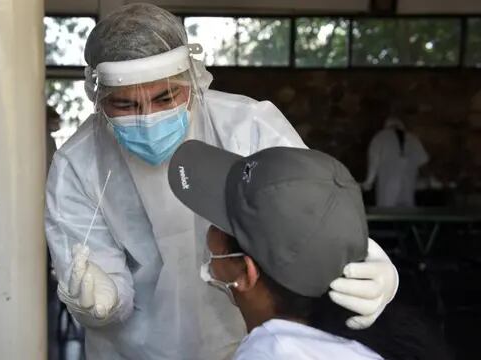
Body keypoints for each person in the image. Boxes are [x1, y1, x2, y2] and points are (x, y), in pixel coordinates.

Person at [45, 4, 398, 359]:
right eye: (124, 105)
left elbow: (308, 206)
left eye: (165, 97)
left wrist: (368, 258)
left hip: (243, 338)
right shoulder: (77, 164)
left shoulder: (247, 125)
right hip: (134, 350)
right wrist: (100, 300)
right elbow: (94, 273)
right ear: (97, 98)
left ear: (193, 77)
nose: (147, 118)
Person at [168, 140, 452, 360]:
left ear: (245, 271)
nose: (208, 228)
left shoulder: (272, 353)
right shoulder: (370, 342)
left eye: (218, 220)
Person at [363, 117, 429, 207]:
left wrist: (368, 182)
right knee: (407, 214)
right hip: (408, 185)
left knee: (387, 212)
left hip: (387, 185)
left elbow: (374, 161)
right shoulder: (413, 139)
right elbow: (423, 161)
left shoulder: (380, 137)